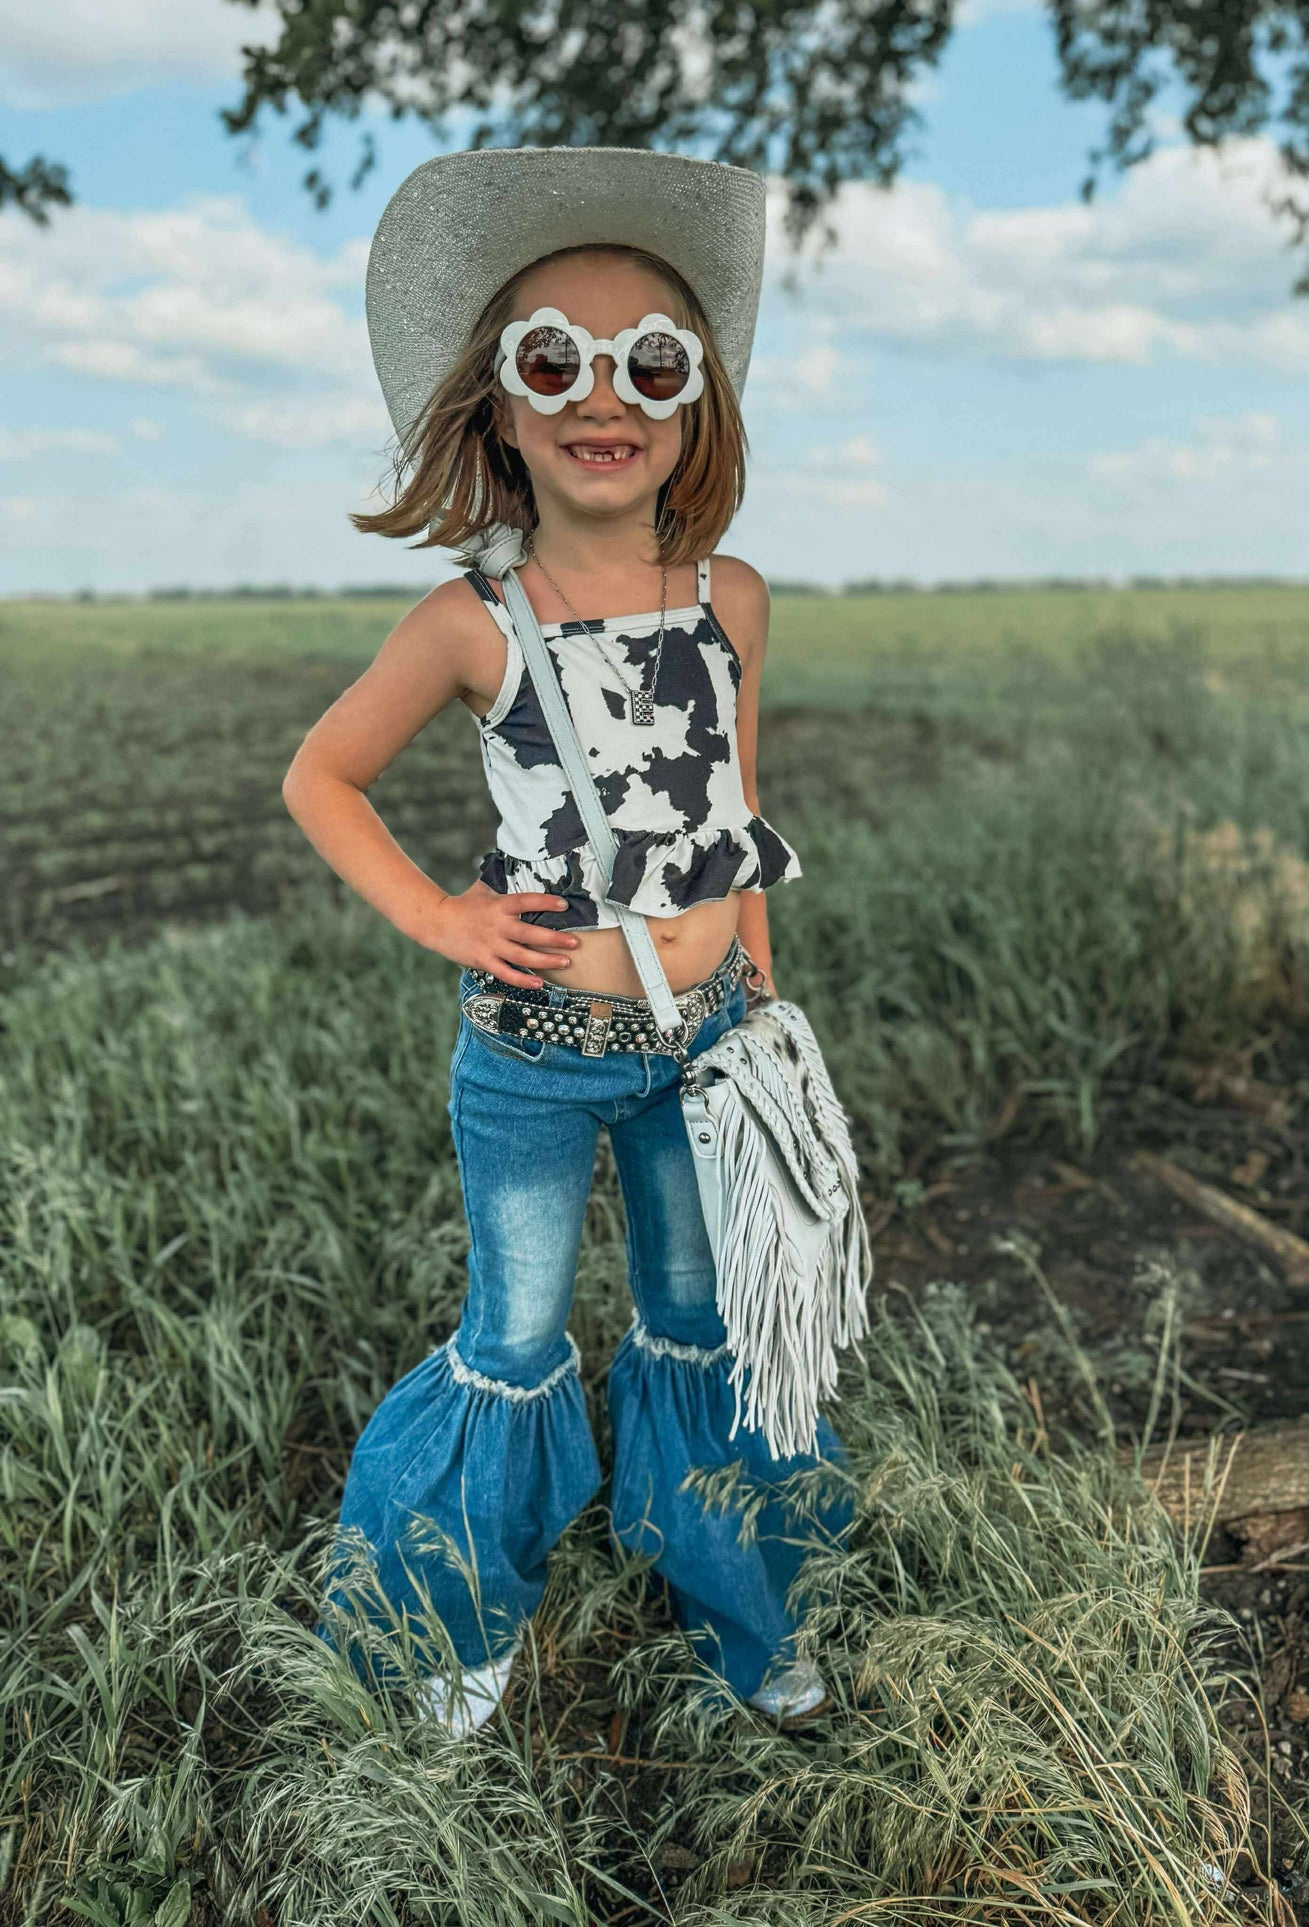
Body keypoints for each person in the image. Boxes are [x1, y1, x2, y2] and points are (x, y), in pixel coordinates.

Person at [281, 146, 852, 1737]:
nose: (604, 397)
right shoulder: (472, 618)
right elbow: (318, 776)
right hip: (534, 1061)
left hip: (704, 1046)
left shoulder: (726, 596)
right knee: (513, 1336)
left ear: (692, 411)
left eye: (648, 366)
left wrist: (766, 1019)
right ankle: (455, 1626)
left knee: (699, 1324)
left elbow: (739, 808)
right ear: (501, 409)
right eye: (557, 360)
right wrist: (440, 916)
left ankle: (736, 1612)